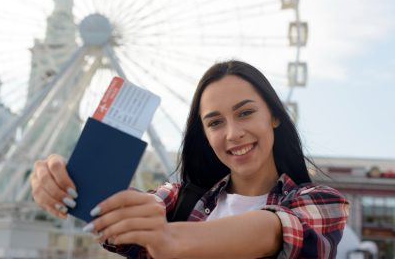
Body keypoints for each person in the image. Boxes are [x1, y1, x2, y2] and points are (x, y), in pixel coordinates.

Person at [31, 60, 349, 258]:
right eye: (215, 122)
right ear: (205, 134)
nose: (233, 133)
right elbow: (115, 213)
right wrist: (62, 179)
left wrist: (169, 239)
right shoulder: (176, 198)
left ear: (275, 116)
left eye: (246, 113)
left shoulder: (322, 202)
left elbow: (273, 230)